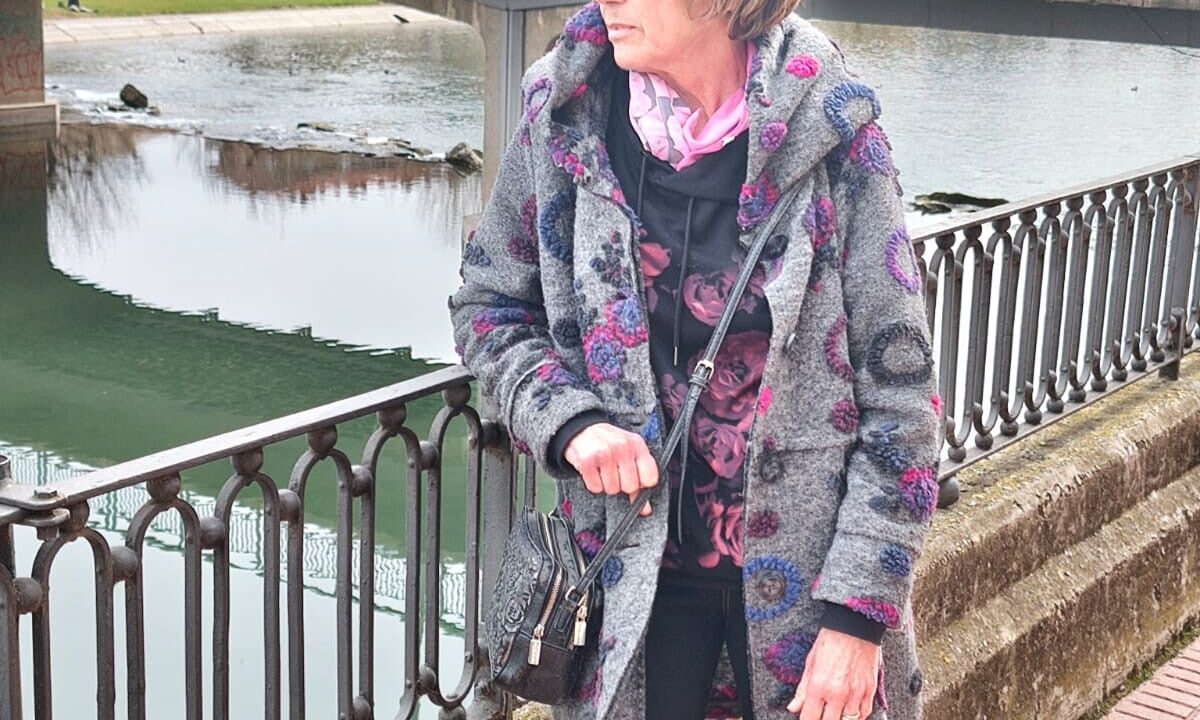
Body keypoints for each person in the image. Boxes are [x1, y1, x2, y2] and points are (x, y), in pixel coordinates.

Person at [448, 1, 941, 718]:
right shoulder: (564, 110)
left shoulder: (834, 126)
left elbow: (902, 397)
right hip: (623, 591)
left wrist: (858, 620)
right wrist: (569, 420)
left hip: (810, 602)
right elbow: (488, 305)